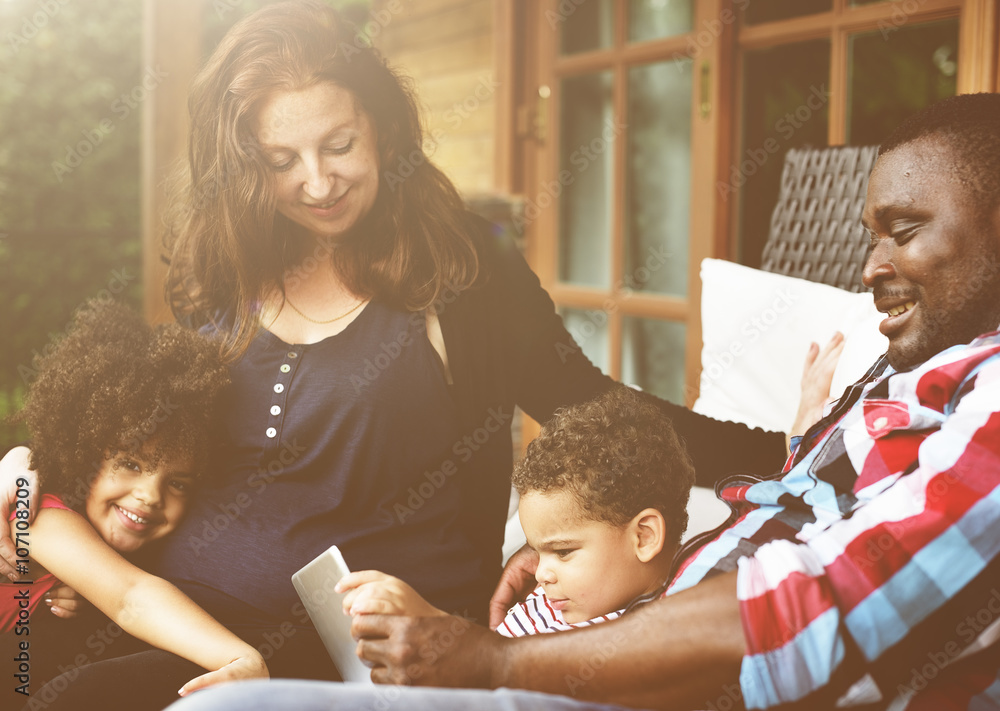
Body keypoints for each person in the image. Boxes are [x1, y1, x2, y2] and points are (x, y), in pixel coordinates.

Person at [0, 2, 793, 707]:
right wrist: (30, 485)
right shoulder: (223, 274)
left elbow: (593, 404)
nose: (318, 182)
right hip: (173, 611)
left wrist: (793, 451)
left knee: (74, 697)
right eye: (280, 162)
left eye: (339, 143)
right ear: (243, 168)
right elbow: (144, 441)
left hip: (345, 644)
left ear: (380, 123)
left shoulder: (462, 275)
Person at [162, 93, 1000, 711]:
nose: (869, 267)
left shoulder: (987, 395)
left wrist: (493, 662)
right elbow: (800, 503)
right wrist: (589, 548)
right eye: (279, 161)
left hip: (632, 672)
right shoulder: (910, 368)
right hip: (610, 622)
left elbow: (800, 606)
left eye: (906, 229)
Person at [1, 299, 268, 700]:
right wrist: (239, 658)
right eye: (130, 462)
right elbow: (130, 596)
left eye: (178, 483)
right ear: (85, 450)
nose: (149, 495)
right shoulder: (35, 512)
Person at [337, 386, 695, 637]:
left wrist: (431, 624)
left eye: (563, 551)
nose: (540, 575)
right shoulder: (550, 603)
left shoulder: (656, 637)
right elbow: (490, 662)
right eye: (537, 551)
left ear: (644, 536)